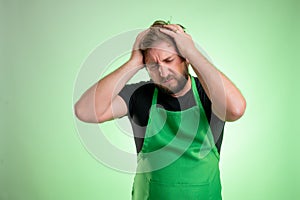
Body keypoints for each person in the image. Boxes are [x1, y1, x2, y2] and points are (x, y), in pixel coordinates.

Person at [74, 20, 246, 200]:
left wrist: (192, 52)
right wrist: (133, 62)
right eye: (153, 65)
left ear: (185, 58)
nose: (163, 73)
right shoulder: (141, 96)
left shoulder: (211, 94)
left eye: (168, 60)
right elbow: (85, 111)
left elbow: (236, 109)